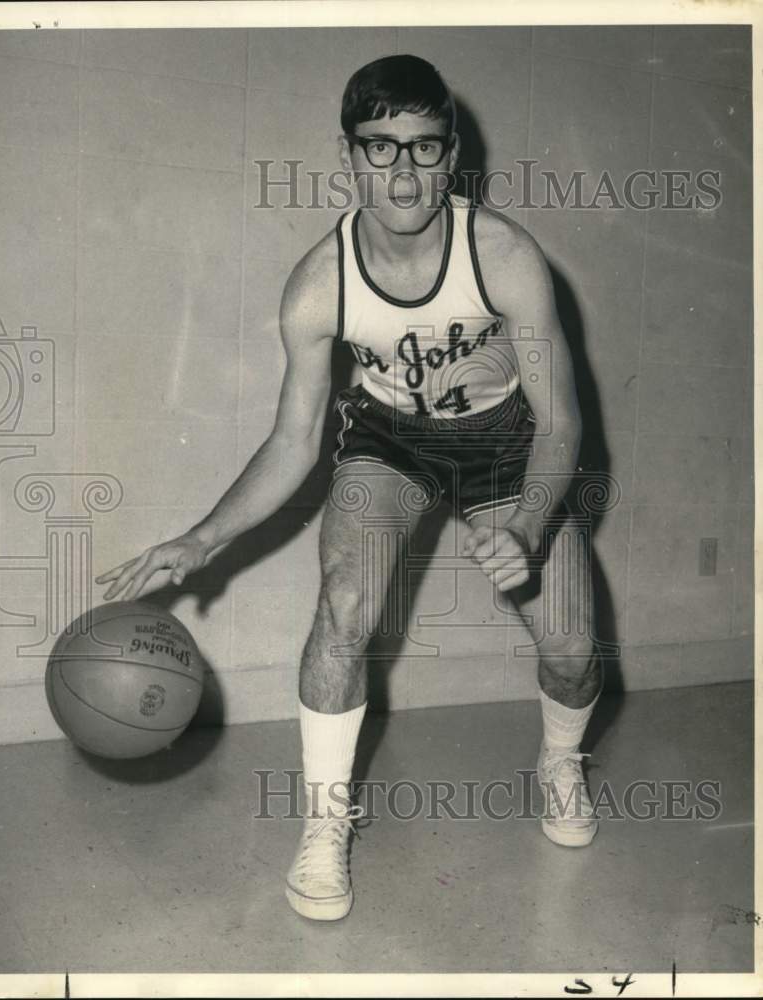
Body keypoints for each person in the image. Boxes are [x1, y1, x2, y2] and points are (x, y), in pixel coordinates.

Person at [96, 54, 602, 923]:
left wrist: (522, 523)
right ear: (349, 157)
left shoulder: (507, 257)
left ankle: (560, 763)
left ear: (451, 158)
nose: (403, 172)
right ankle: (327, 826)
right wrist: (202, 539)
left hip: (506, 444)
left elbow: (561, 425)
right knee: (343, 605)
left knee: (571, 647)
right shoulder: (316, 285)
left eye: (424, 148)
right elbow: (294, 441)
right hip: (389, 442)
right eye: (380, 148)